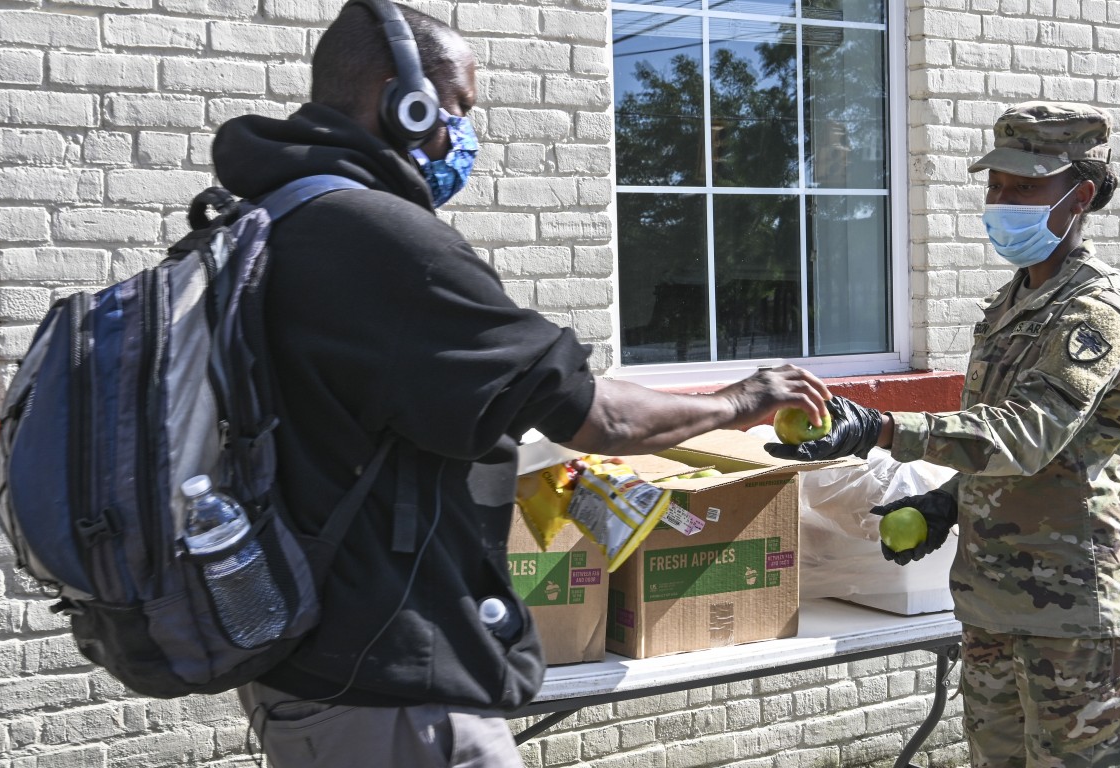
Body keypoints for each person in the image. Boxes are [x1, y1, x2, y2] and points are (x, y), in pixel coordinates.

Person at [211, 2, 831, 765]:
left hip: (303, 668)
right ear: (401, 99)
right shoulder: (384, 242)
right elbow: (598, 419)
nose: (463, 137)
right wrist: (740, 400)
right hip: (390, 687)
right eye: (457, 109)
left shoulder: (260, 224)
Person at [771, 102, 1120, 767]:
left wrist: (880, 427)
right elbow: (995, 450)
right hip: (992, 608)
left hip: (1077, 620)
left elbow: (1027, 434)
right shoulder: (1008, 307)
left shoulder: (1096, 308)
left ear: (1081, 194)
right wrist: (942, 505)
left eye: (1024, 188)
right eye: (995, 185)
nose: (1001, 201)